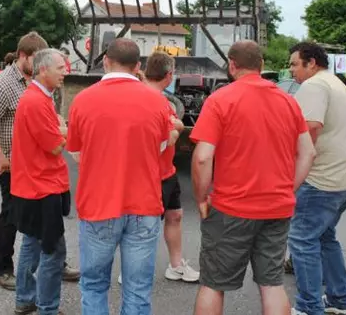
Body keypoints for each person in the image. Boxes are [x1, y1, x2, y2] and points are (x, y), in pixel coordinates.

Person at [189, 40, 316, 315]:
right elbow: (308, 153)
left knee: (213, 284)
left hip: (230, 208)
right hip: (277, 207)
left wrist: (200, 198)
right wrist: (287, 189)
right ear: (261, 66)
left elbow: (202, 157)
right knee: (272, 284)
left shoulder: (221, 99)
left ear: (232, 66)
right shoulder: (288, 101)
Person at [66, 38, 172, 315]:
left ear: (105, 61)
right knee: (137, 288)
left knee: (94, 284)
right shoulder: (157, 102)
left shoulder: (83, 100)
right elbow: (160, 146)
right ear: (138, 66)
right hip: (144, 204)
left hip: (99, 204)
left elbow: (76, 153)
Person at [0, 31, 80, 290]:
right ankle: (3, 268)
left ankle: (56, 260)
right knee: (12, 215)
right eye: (37, 59)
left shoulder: (39, 83)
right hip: (11, 163)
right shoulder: (2, 84)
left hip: (36, 163)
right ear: (23, 56)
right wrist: (0, 156)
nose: (41, 63)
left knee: (46, 217)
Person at [287, 42, 346, 315]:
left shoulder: (314, 86)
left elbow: (309, 130)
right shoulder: (336, 83)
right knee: (324, 237)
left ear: (311, 63)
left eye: (295, 64)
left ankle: (309, 306)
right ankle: (340, 300)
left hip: (323, 179)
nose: (291, 70)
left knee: (301, 239)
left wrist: (291, 170)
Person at [10, 49, 70, 315]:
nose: (65, 72)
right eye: (60, 67)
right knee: (53, 251)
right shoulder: (36, 101)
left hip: (33, 185)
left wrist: (58, 125)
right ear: (43, 69)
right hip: (42, 187)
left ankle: (25, 298)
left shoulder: (37, 98)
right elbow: (55, 146)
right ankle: (47, 308)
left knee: (32, 242)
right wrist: (65, 129)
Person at [141, 51, 199, 283]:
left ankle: (176, 266)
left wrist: (174, 124)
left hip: (167, 173)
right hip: (150, 175)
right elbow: (166, 140)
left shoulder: (161, 100)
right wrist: (176, 127)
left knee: (175, 214)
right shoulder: (152, 101)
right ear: (169, 75)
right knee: (144, 225)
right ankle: (132, 270)